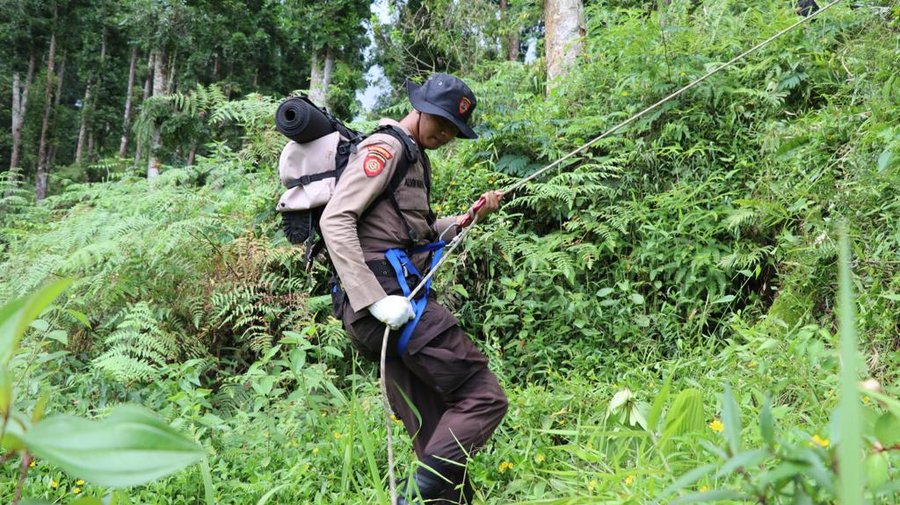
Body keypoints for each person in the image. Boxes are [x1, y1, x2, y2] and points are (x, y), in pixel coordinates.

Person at [320, 73, 508, 503]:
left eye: (453, 130)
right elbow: (336, 219)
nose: (445, 134)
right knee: (484, 398)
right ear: (419, 108)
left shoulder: (414, 156)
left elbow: (417, 234)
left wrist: (468, 217)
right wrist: (373, 300)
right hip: (388, 303)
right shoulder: (386, 149)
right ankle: (408, 499)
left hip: (395, 306)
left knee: (435, 427)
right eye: (440, 122)